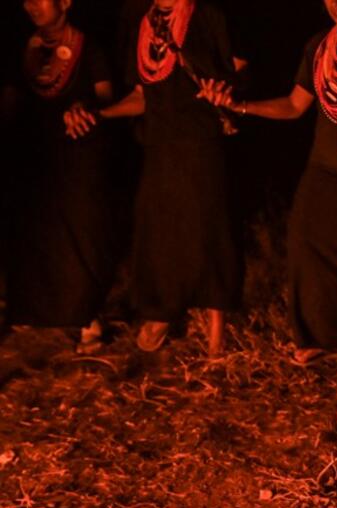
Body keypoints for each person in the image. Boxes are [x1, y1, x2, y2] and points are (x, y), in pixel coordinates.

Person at [197, 0, 337, 384]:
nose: (335, 4)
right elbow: (296, 105)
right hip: (325, 165)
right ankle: (318, 335)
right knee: (305, 243)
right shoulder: (318, 46)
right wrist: (240, 106)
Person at [70, 0, 243, 356]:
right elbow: (141, 96)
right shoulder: (142, 20)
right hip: (160, 141)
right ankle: (164, 310)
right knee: (160, 229)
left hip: (200, 140)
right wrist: (100, 114)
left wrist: (229, 93)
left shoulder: (208, 15)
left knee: (209, 229)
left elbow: (238, 67)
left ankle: (216, 334)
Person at [2, 0, 118, 353]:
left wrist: (84, 106)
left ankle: (86, 316)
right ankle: (33, 310)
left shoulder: (90, 45)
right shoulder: (22, 47)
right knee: (35, 234)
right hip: (35, 151)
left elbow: (106, 96)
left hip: (78, 149)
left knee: (79, 235)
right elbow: (9, 97)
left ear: (65, 2)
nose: (31, 5)